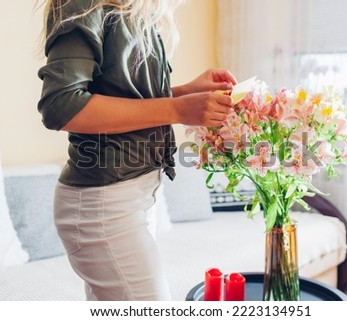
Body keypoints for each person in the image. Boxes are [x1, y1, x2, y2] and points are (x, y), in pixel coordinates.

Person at [37, 0, 237, 301]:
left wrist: (187, 93)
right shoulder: (82, 4)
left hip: (136, 196)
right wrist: (178, 108)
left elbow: (126, 96)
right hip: (104, 203)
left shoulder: (129, 10)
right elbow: (62, 107)